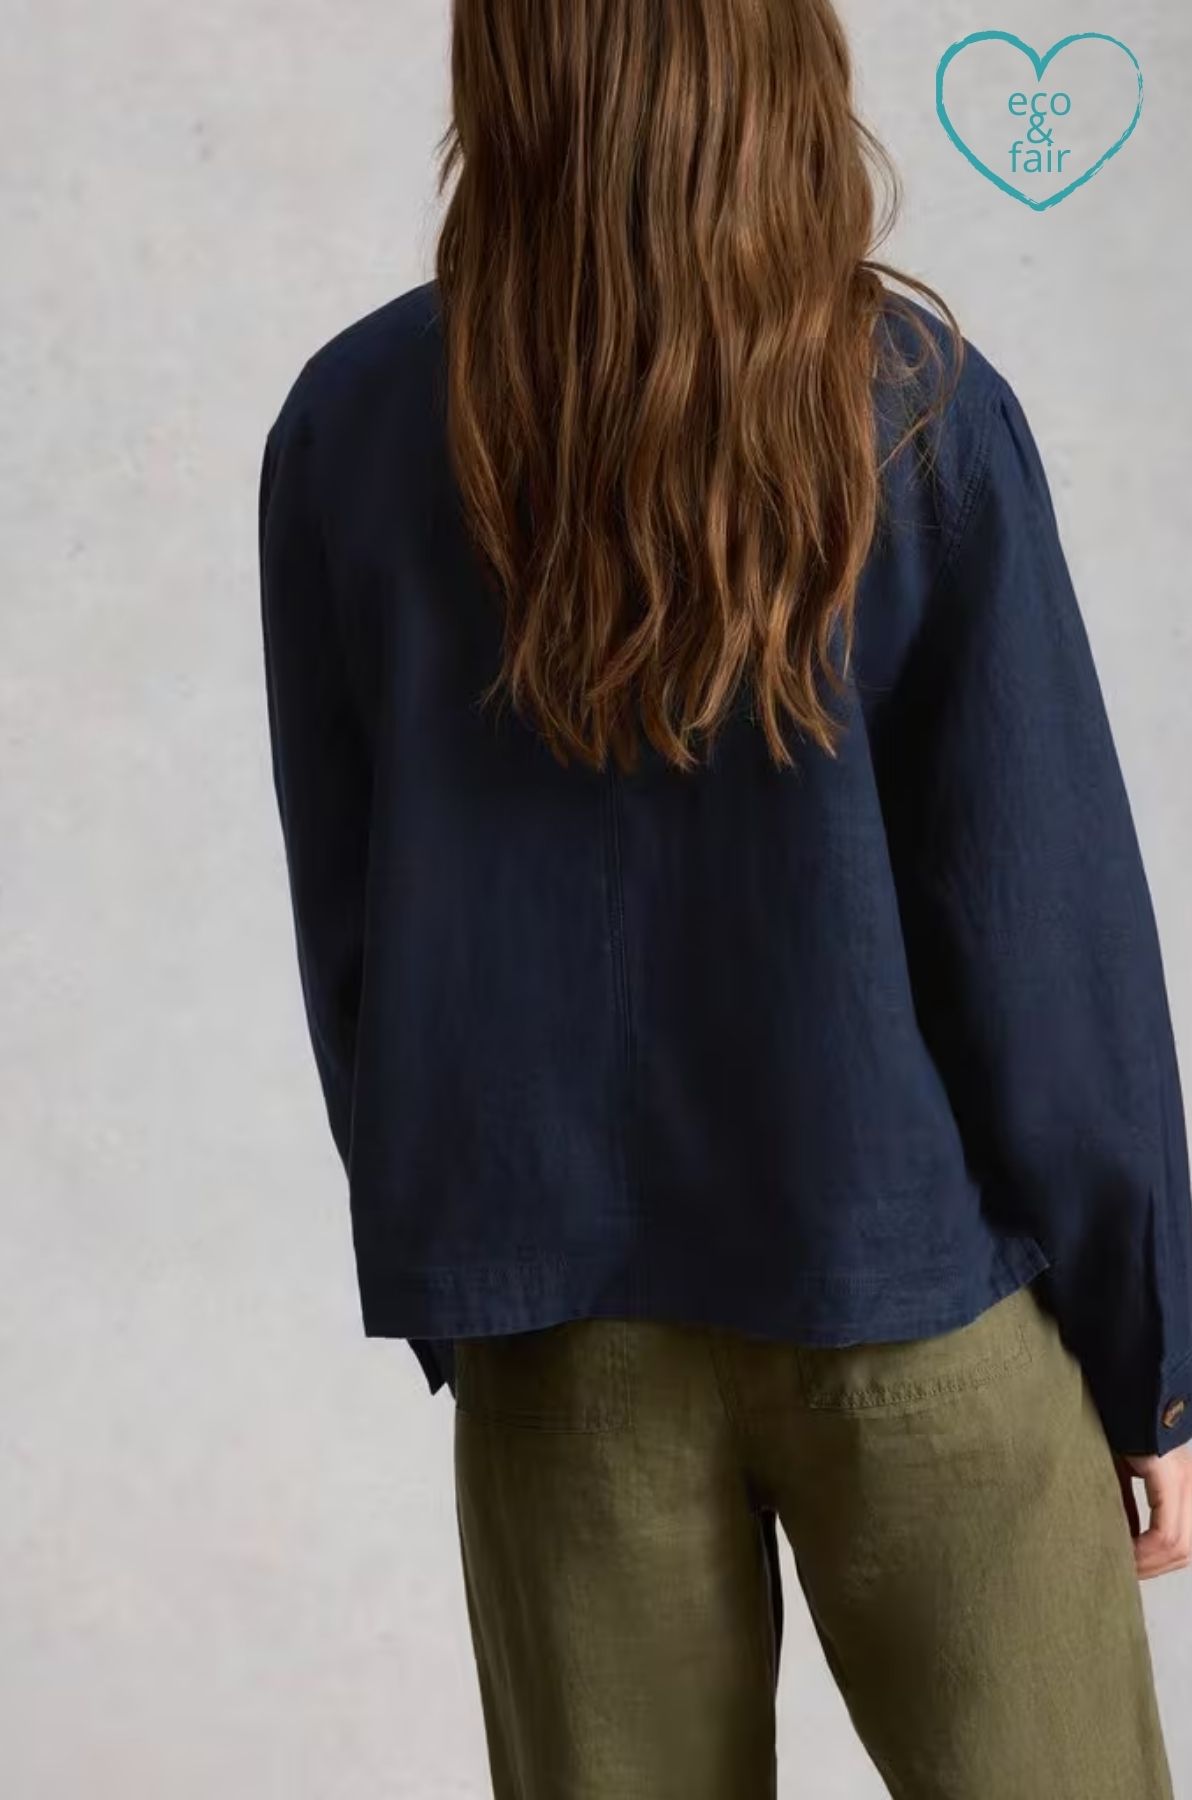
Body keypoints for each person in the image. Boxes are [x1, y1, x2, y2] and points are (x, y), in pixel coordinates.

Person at [256, 1, 1192, 1793]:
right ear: (778, 71)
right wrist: (1151, 1353)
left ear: (506, 72)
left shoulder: (355, 421)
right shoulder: (920, 408)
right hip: (911, 1293)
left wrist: (477, 1268)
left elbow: (350, 924)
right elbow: (1044, 927)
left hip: (561, 1334)